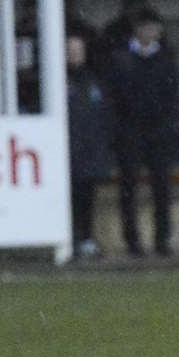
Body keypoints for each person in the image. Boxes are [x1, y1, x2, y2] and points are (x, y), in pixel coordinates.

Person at [107, 8, 179, 258]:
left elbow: (173, 96)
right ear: (137, 29)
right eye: (147, 27)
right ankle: (133, 241)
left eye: (155, 28)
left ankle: (162, 239)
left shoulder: (166, 59)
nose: (152, 32)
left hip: (159, 132)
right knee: (129, 188)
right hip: (131, 132)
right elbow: (115, 97)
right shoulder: (121, 59)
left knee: (162, 187)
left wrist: (167, 123)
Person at [66, 32, 114, 260]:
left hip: (89, 152)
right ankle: (72, 240)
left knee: (87, 198)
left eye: (78, 50)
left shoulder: (93, 80)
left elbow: (103, 115)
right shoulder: (57, 80)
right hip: (68, 153)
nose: (75, 55)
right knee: (70, 199)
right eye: (70, 51)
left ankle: (86, 239)